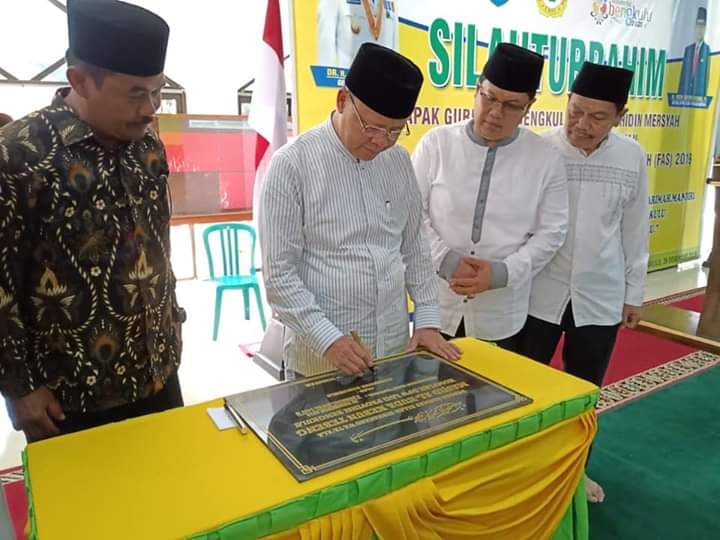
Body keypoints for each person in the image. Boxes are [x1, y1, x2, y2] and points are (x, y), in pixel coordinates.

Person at [0, 0, 185, 442]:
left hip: (159, 374)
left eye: (157, 91)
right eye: (136, 93)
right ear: (80, 80)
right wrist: (19, 386)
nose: (150, 108)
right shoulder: (19, 154)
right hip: (68, 397)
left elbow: (157, 244)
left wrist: (172, 323)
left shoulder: (147, 145)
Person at [260, 42, 460, 379]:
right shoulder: (293, 165)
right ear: (342, 101)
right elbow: (279, 275)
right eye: (372, 127)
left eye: (395, 131)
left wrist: (427, 319)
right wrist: (329, 340)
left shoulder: (397, 161)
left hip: (391, 354)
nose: (381, 141)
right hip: (320, 362)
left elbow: (414, 247)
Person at [518, 61, 649, 504]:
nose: (582, 124)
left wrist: (634, 293)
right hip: (539, 293)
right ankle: (526, 472)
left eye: (597, 116)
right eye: (575, 111)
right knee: (528, 389)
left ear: (620, 115)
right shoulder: (538, 150)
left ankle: (575, 474)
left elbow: (635, 229)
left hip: (600, 295)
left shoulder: (631, 156)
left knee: (584, 392)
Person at [411, 43, 568, 351]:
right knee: (431, 393)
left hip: (502, 310)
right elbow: (412, 214)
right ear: (476, 90)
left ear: (529, 105)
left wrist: (502, 272)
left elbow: (552, 231)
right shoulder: (437, 144)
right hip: (437, 305)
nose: (496, 113)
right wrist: (445, 259)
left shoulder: (546, 158)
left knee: (494, 395)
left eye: (511, 105)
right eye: (490, 98)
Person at [317, 0, 399, 68]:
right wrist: (328, 82)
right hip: (348, 78)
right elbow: (326, 41)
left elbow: (394, 46)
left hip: (383, 80)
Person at [678, 7, 710, 97]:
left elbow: (707, 80)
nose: (700, 29)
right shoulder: (688, 50)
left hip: (699, 102)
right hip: (684, 100)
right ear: (694, 27)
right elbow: (682, 79)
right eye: (698, 25)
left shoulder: (707, 51)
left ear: (705, 28)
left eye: (702, 25)